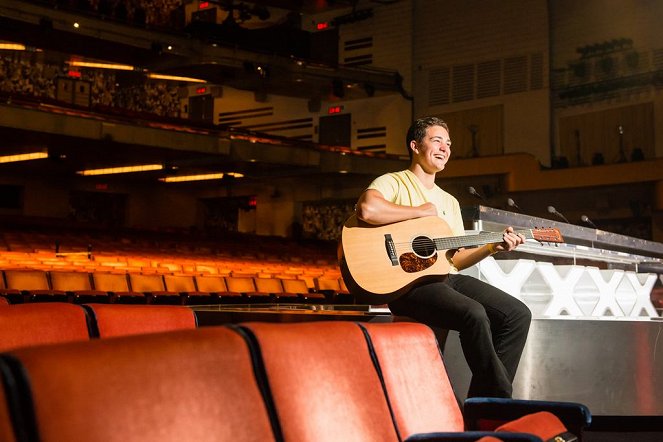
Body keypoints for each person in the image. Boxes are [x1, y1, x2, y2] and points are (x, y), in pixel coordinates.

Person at [354, 116, 531, 398]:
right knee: (474, 314)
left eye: (448, 143)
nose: (445, 148)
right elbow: (367, 210)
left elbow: (456, 259)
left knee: (517, 314)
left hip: (444, 277)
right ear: (415, 145)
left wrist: (492, 247)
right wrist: (419, 211)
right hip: (407, 284)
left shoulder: (450, 201)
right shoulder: (394, 182)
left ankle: (484, 403)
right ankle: (500, 399)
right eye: (437, 140)